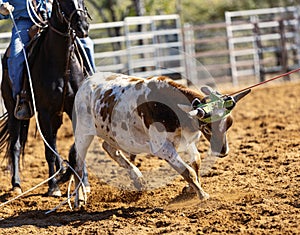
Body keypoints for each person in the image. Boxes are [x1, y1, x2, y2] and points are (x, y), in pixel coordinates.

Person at [0, 0, 95, 120]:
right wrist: (2, 9)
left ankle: (93, 86)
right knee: (16, 55)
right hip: (25, 22)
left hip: (55, 17)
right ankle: (22, 98)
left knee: (87, 44)